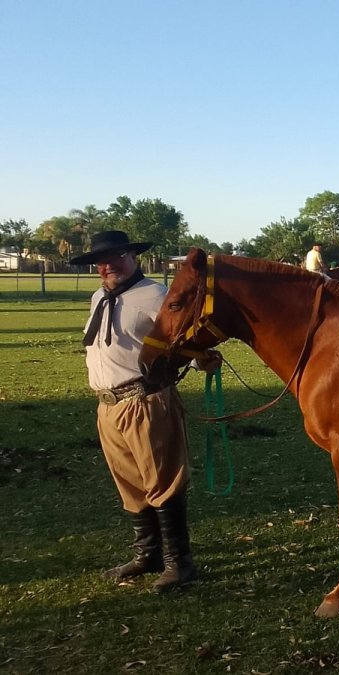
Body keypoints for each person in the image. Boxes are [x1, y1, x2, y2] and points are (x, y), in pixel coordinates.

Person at [70, 231, 219, 594]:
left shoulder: (154, 296)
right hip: (108, 405)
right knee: (131, 486)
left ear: (132, 256)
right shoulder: (98, 297)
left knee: (163, 483)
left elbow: (182, 335)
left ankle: (178, 563)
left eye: (115, 257)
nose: (107, 266)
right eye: (100, 261)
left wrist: (202, 362)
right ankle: (147, 554)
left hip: (145, 400)